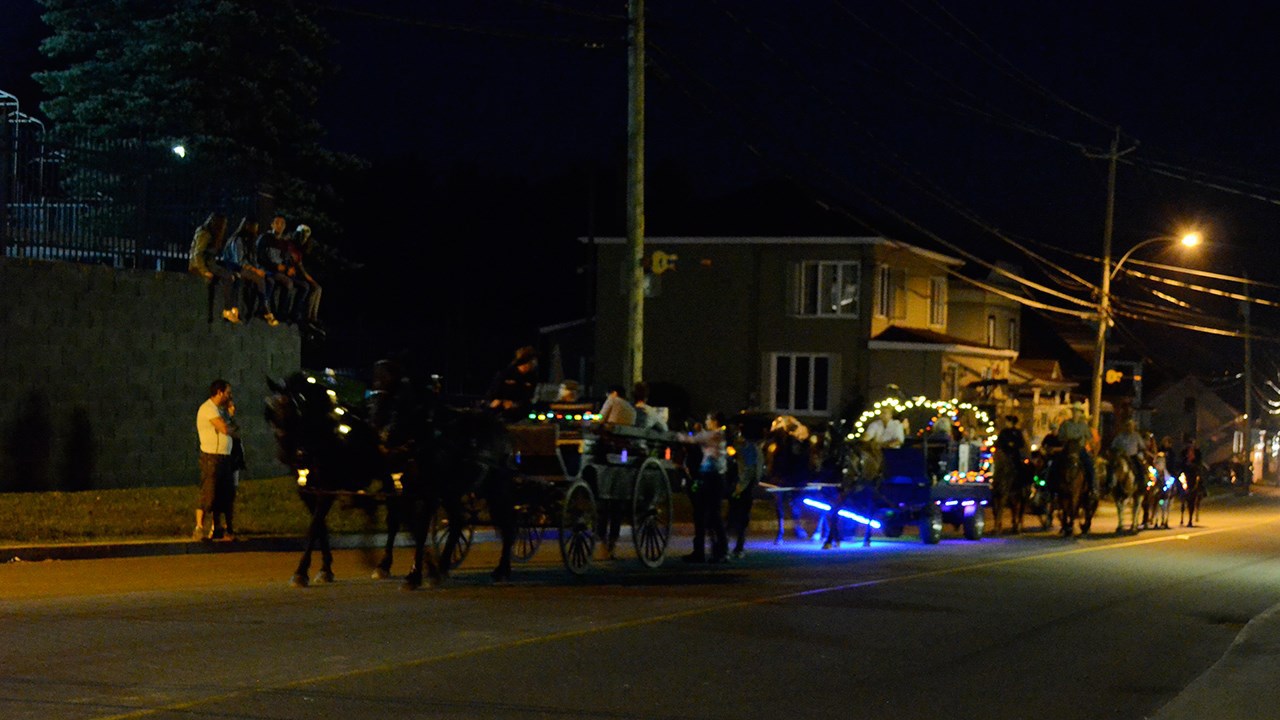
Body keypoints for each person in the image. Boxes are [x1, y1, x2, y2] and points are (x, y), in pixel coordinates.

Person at [683, 411, 730, 563]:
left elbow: (693, 439)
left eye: (708, 419)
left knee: (713, 515)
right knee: (701, 514)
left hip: (714, 477)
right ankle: (702, 551)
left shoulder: (717, 434)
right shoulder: (715, 435)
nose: (706, 421)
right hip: (710, 476)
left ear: (715, 421)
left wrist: (680, 436)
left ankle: (721, 551)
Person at [219, 217, 278, 326]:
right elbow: (239, 261)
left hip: (245, 267)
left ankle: (260, 308)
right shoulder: (238, 240)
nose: (255, 231)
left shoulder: (251, 241)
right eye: (254, 228)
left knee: (268, 279)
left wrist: (258, 269)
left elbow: (253, 260)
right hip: (233, 266)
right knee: (259, 279)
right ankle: (264, 308)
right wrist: (255, 270)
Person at [194, 380, 234, 541]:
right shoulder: (208, 409)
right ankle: (199, 527)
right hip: (211, 456)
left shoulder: (220, 410)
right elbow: (224, 429)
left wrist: (230, 417)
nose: (229, 396)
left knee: (223, 493)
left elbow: (232, 429)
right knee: (208, 493)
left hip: (224, 456)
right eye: (228, 393)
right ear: (219, 392)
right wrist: (230, 422)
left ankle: (217, 527)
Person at [726, 415, 765, 559]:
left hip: (743, 487)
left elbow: (748, 469)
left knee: (738, 516)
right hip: (742, 486)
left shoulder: (747, 449)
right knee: (738, 516)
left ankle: (736, 546)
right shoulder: (750, 448)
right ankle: (735, 546)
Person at [188, 212, 238, 322]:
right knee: (227, 277)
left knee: (229, 277)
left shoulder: (214, 235)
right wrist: (204, 271)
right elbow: (198, 254)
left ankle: (229, 309)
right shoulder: (205, 234)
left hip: (210, 264)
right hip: (202, 265)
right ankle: (227, 310)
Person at [211, 398, 244, 541]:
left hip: (234, 460)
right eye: (230, 405)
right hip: (224, 459)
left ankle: (229, 527)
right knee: (220, 494)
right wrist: (230, 421)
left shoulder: (231, 419)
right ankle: (217, 526)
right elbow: (230, 431)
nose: (233, 407)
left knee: (231, 495)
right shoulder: (220, 417)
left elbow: (237, 433)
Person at [256, 214, 297, 324]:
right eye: (277, 223)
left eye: (282, 224)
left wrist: (288, 268)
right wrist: (275, 266)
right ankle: (268, 310)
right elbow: (260, 257)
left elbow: (286, 259)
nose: (279, 226)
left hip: (278, 270)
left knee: (292, 282)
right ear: (272, 225)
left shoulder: (283, 243)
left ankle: (282, 312)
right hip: (267, 268)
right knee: (285, 282)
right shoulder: (265, 238)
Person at [484, 345, 539, 423]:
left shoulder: (531, 377)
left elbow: (530, 395)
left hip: (520, 407)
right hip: (500, 405)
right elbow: (495, 390)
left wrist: (515, 404)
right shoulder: (506, 373)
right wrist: (501, 401)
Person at [1054, 404, 1097, 494]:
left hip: (1080, 449)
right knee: (1054, 464)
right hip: (1067, 449)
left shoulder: (1084, 426)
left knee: (1090, 466)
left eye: (1077, 411)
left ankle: (1092, 488)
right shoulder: (1065, 424)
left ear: (1080, 413)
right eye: (1074, 411)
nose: (1075, 413)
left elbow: (1090, 438)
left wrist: (1090, 445)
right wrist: (1066, 440)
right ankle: (1051, 488)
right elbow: (1060, 437)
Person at [287, 225, 323, 328]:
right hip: (289, 274)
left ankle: (313, 317)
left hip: (296, 274)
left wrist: (311, 280)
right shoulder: (290, 246)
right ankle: (305, 316)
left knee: (318, 288)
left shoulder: (299, 252)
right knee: (308, 287)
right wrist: (310, 280)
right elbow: (300, 269)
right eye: (303, 236)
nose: (304, 239)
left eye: (306, 238)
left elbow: (301, 267)